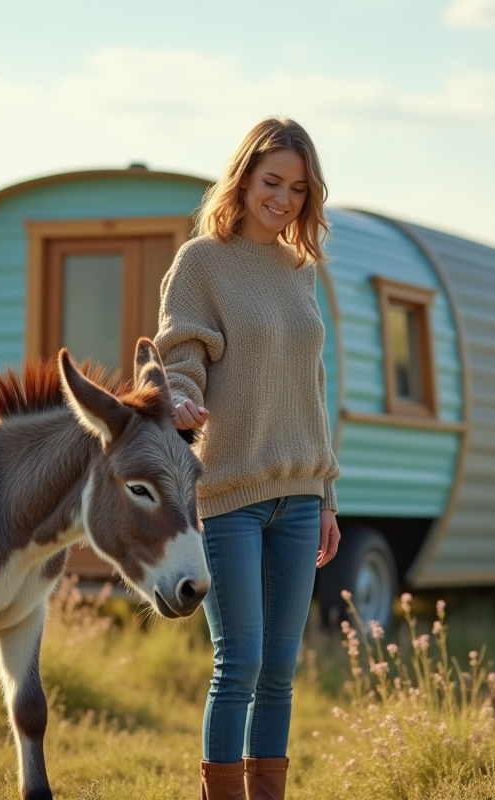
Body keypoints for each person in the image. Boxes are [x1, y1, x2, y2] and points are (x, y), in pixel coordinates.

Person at [154, 116, 341, 800]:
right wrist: (179, 402)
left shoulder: (300, 270)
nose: (283, 199)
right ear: (244, 178)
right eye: (272, 182)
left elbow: (311, 388)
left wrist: (326, 496)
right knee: (240, 662)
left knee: (281, 668)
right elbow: (180, 354)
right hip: (228, 489)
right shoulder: (202, 262)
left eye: (297, 187)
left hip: (299, 495)